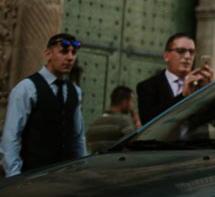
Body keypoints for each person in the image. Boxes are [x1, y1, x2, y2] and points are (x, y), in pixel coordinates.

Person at [1, 33, 87, 176]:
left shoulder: (74, 91)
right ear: (48, 54)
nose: (70, 57)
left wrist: (83, 170)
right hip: (35, 176)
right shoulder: (27, 88)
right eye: (64, 52)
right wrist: (15, 177)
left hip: (67, 178)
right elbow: (10, 138)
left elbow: (78, 137)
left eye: (74, 53)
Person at [136, 32, 214, 124]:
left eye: (191, 52)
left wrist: (210, 90)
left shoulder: (200, 84)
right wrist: (183, 97)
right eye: (181, 51)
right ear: (166, 56)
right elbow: (148, 121)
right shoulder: (147, 87)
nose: (187, 56)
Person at [85, 85, 138, 153]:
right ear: (124, 103)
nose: (131, 105)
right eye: (131, 101)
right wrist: (137, 123)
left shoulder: (94, 125)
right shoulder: (123, 124)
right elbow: (133, 147)